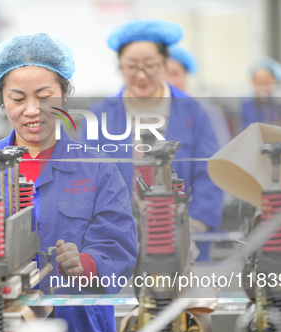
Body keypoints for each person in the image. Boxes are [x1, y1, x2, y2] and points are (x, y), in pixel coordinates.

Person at [0, 33, 137, 332]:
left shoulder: (97, 169)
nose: (32, 110)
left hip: (77, 331)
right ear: (2, 99)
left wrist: (87, 263)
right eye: (18, 98)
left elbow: (119, 248)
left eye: (44, 96)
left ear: (64, 93)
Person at [78, 19, 223, 262]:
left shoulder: (194, 112)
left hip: (182, 235)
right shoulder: (99, 114)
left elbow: (210, 173)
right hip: (116, 238)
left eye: (150, 65)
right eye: (131, 66)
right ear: (120, 66)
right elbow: (85, 177)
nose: (141, 74)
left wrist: (195, 227)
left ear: (165, 64)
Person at [166, 45, 231, 148]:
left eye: (175, 74)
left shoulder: (205, 110)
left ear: (186, 75)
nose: (169, 81)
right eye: (164, 74)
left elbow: (221, 150)